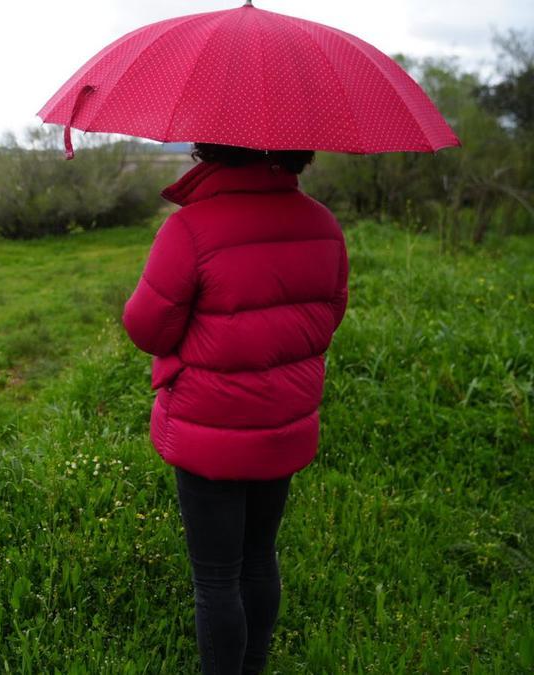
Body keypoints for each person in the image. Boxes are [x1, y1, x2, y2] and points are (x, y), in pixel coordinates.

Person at [122, 143, 349, 675]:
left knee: (217, 578)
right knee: (258, 558)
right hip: (285, 423)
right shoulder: (322, 223)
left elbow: (147, 328)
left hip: (210, 430)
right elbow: (328, 314)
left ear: (212, 149)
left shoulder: (191, 229)